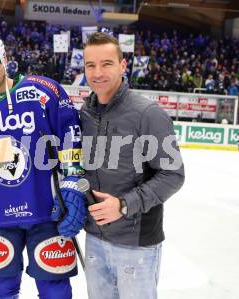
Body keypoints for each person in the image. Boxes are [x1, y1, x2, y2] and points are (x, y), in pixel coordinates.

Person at [0, 30, 87, 299]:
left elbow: (70, 136)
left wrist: (73, 183)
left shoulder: (43, 90)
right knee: (2, 291)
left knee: (55, 291)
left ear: (3, 59)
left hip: (47, 211)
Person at [80, 32, 185, 299]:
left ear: (123, 66)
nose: (98, 72)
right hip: (94, 237)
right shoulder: (86, 114)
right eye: (90, 65)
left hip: (135, 245)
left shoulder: (148, 114)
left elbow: (173, 175)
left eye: (106, 64)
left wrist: (124, 205)